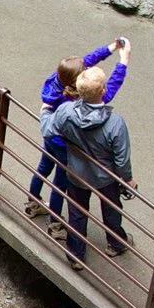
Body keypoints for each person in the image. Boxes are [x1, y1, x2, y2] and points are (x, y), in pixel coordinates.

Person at [27, 38, 129, 224]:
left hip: (50, 136)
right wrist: (123, 61)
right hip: (64, 144)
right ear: (78, 81)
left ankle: (33, 201)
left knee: (43, 168)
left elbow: (88, 60)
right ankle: (55, 221)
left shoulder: (56, 80)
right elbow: (109, 89)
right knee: (60, 182)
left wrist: (112, 48)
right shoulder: (73, 100)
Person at [47, 62, 135, 267]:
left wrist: (44, 111)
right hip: (105, 176)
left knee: (77, 212)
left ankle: (76, 254)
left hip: (77, 173)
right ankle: (116, 243)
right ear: (103, 91)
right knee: (111, 208)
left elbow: (49, 129)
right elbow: (122, 160)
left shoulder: (66, 111)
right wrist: (128, 179)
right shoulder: (115, 123)